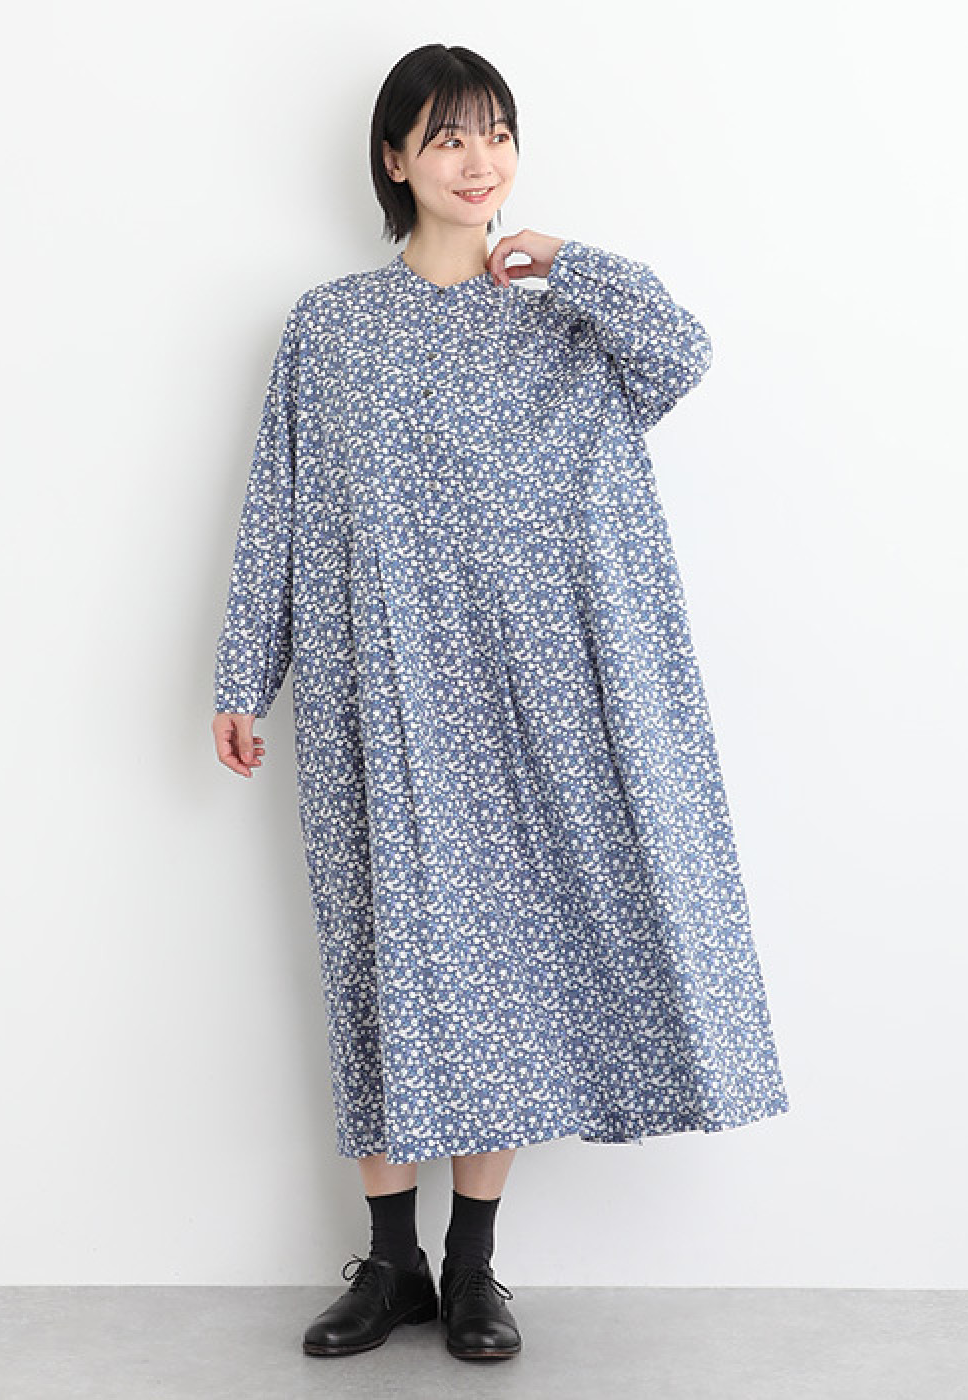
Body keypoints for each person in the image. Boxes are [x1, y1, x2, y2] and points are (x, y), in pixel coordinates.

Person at [211, 44, 789, 1364]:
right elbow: (279, 507)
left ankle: (474, 1267)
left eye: (498, 134)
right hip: (377, 688)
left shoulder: (563, 316)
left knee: (503, 973)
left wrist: (571, 262)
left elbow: (684, 351)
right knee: (377, 958)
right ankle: (391, 1264)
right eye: (449, 137)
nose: (481, 162)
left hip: (533, 694)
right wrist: (248, 672)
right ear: (394, 159)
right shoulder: (331, 328)